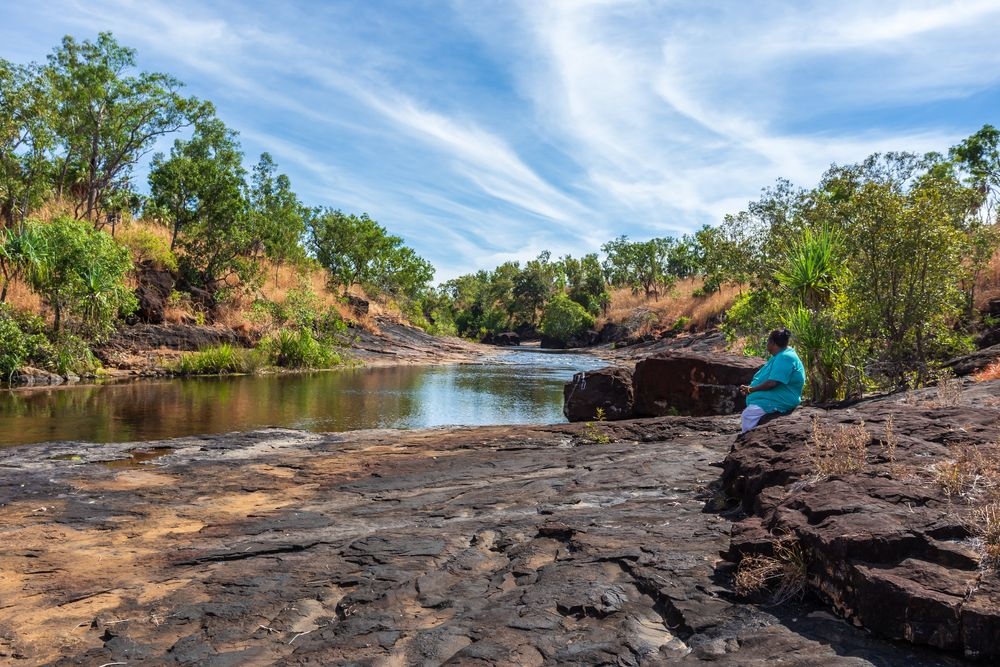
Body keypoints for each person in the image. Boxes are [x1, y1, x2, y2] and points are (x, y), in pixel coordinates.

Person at [738, 328, 805, 433]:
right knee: (750, 413)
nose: (767, 344)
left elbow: (772, 383)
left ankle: (745, 441)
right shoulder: (781, 355)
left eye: (768, 341)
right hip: (776, 396)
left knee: (748, 414)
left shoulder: (785, 357)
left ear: (772, 343)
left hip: (783, 399)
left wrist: (751, 390)